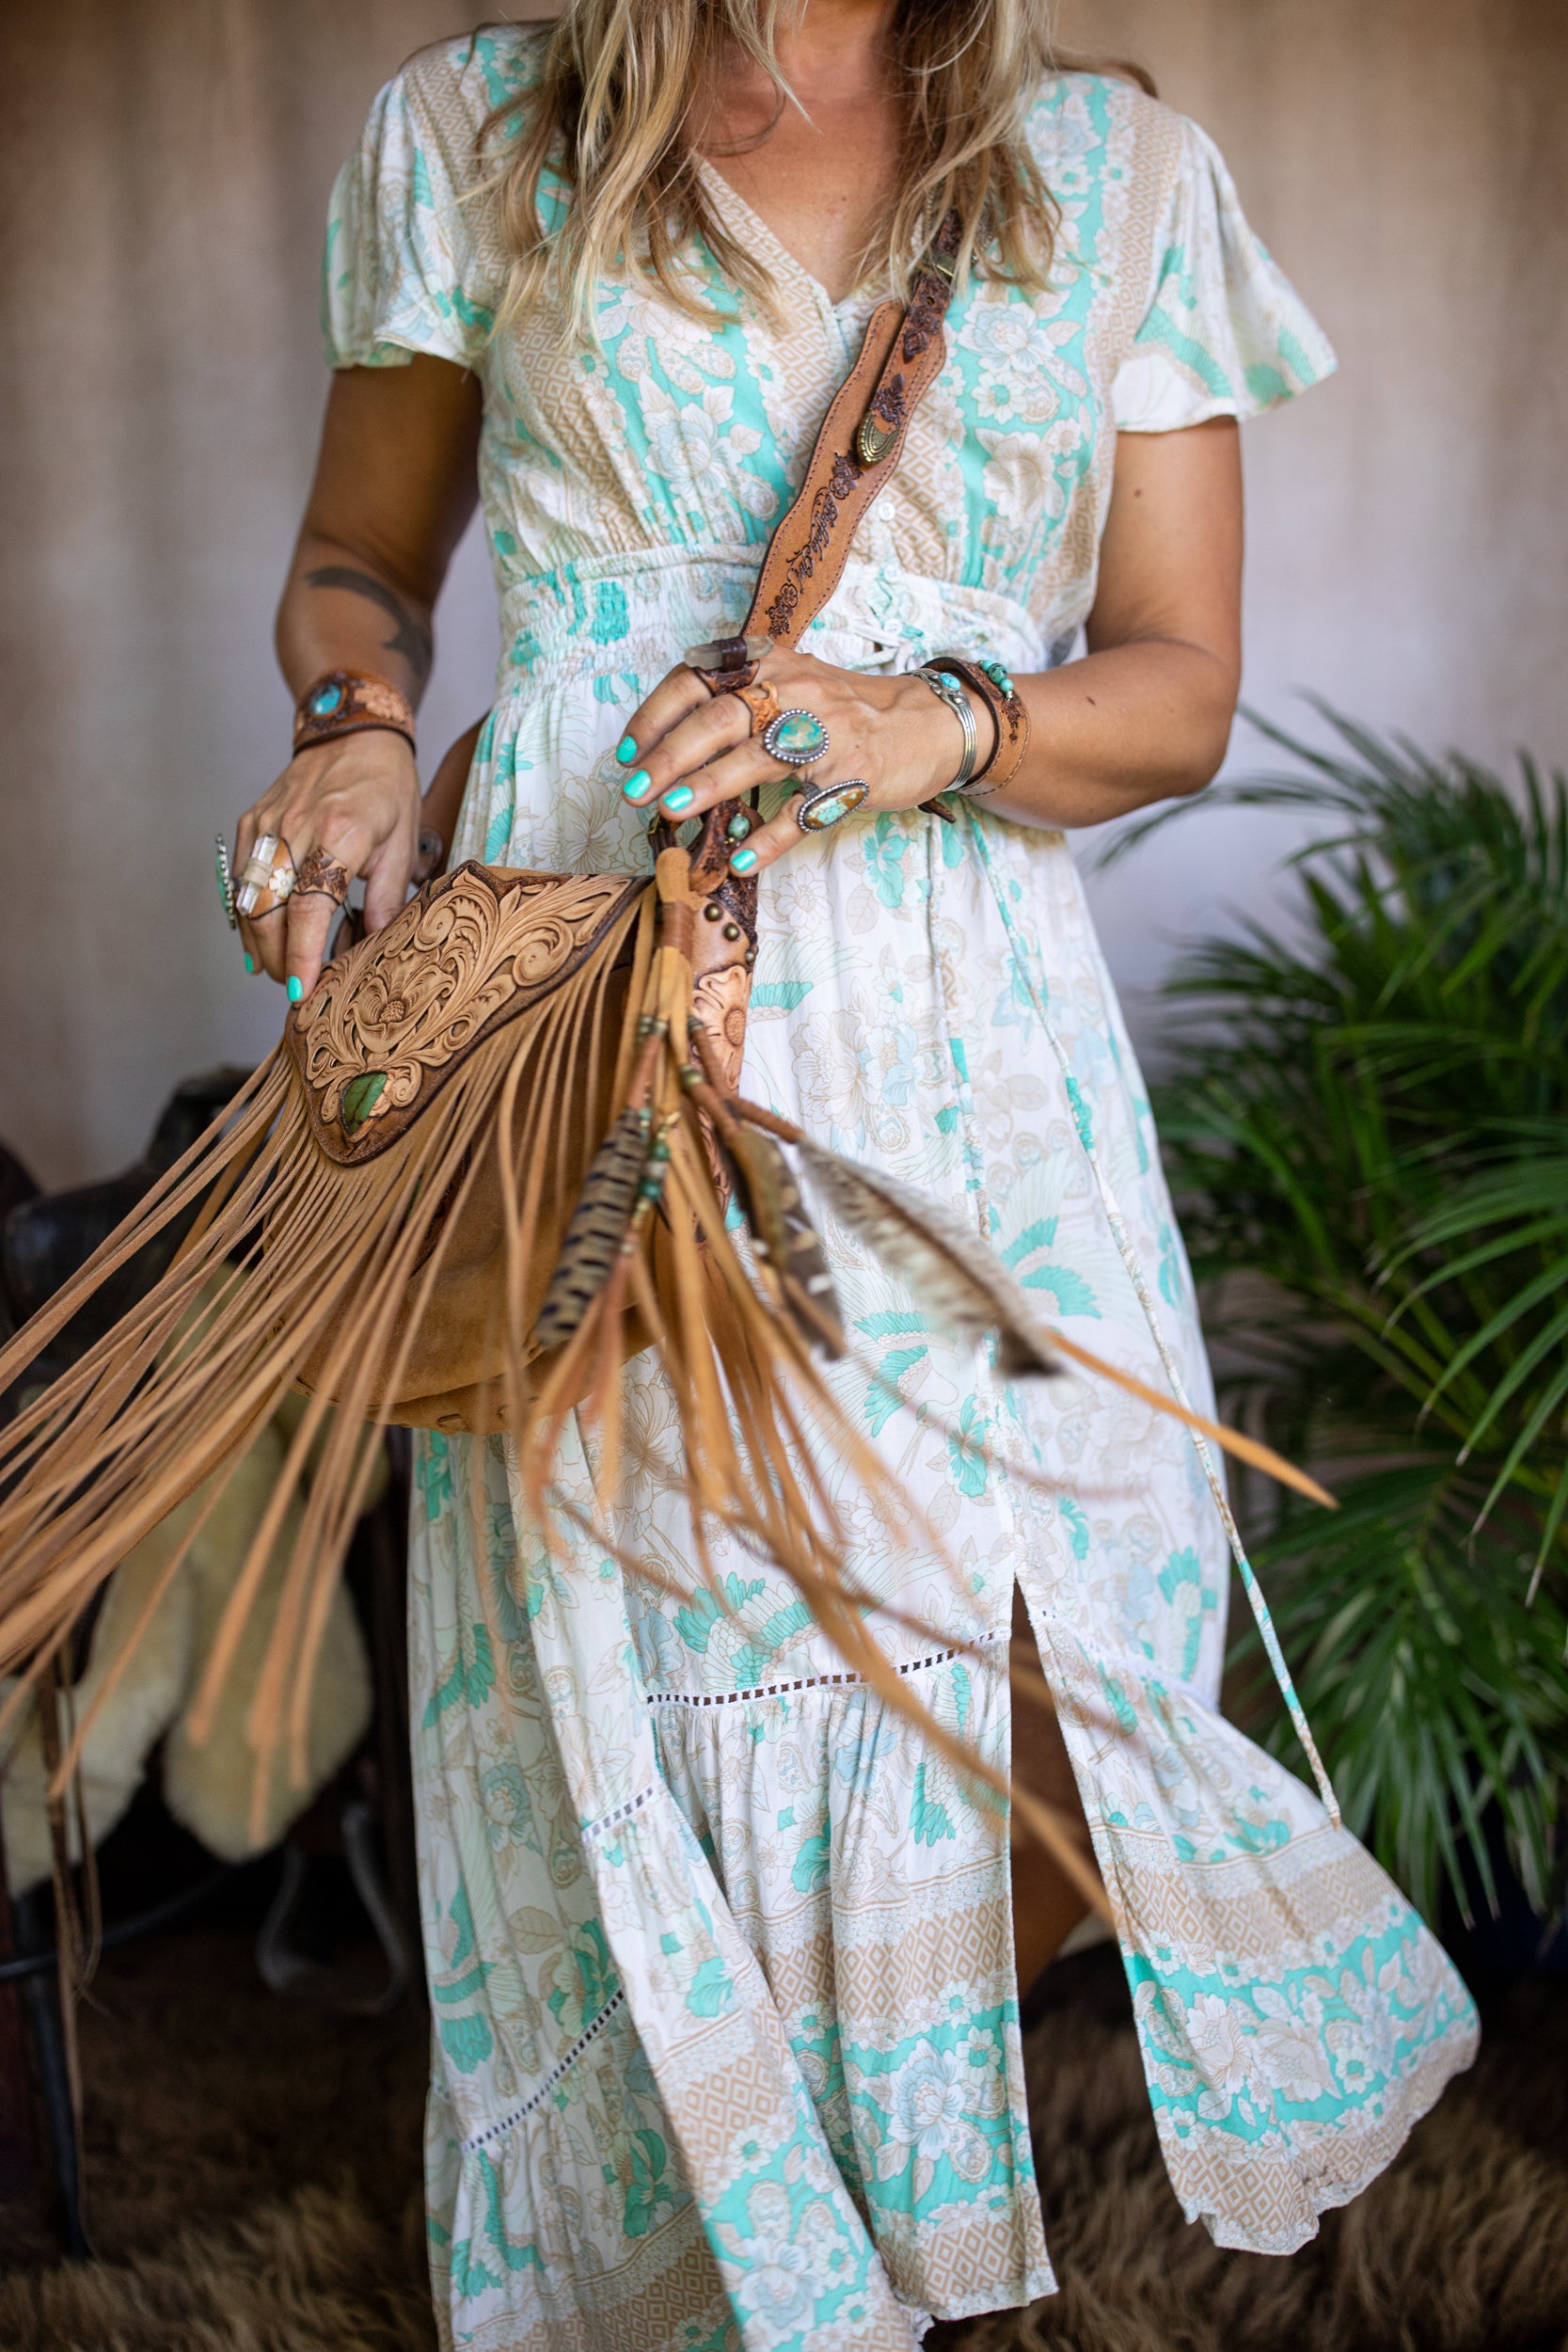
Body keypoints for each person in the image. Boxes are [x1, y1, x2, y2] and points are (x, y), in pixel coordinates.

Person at [234, 6, 1477, 2344]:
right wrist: (355, 733)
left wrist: (936, 722)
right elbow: (353, 566)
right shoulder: (472, 134)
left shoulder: (1113, 173)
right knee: (662, 1692)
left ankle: (905, 2255)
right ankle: (718, 2288)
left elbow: (1181, 678)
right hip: (604, 1050)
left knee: (984, 1691)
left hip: (966, 1086)